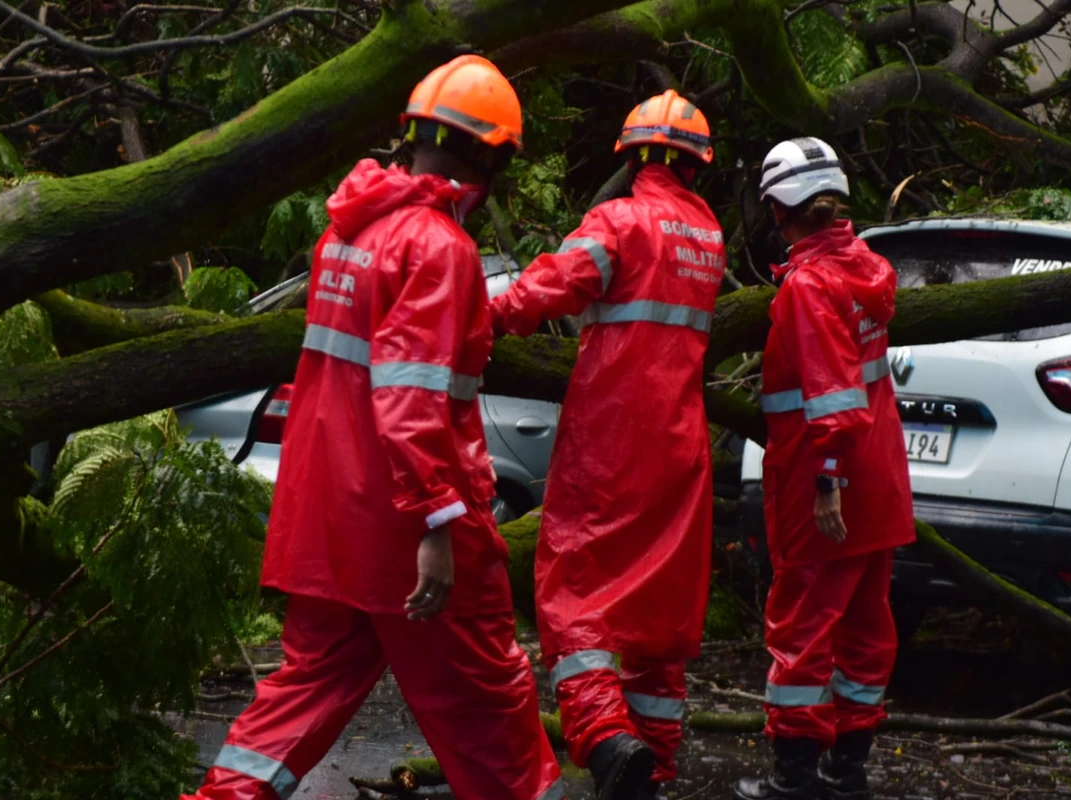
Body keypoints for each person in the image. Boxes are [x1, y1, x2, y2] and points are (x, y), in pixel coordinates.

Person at [181, 55, 564, 800]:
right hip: (402, 524)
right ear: (490, 158)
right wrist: (437, 524)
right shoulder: (440, 249)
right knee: (491, 705)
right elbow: (411, 401)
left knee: (301, 695)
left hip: (329, 517)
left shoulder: (348, 235)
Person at [490, 89, 724, 800]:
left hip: (610, 441)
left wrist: (480, 311)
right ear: (693, 164)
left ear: (632, 154)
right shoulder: (708, 240)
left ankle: (607, 739)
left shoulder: (618, 221)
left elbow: (546, 292)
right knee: (658, 619)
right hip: (681, 448)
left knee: (573, 599)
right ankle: (651, 766)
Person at [733, 137, 915, 800]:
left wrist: (827, 480)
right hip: (880, 479)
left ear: (782, 208)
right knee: (867, 625)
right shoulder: (864, 264)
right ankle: (849, 771)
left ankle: (797, 777)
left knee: (803, 626)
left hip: (824, 483)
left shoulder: (809, 287)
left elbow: (833, 399)